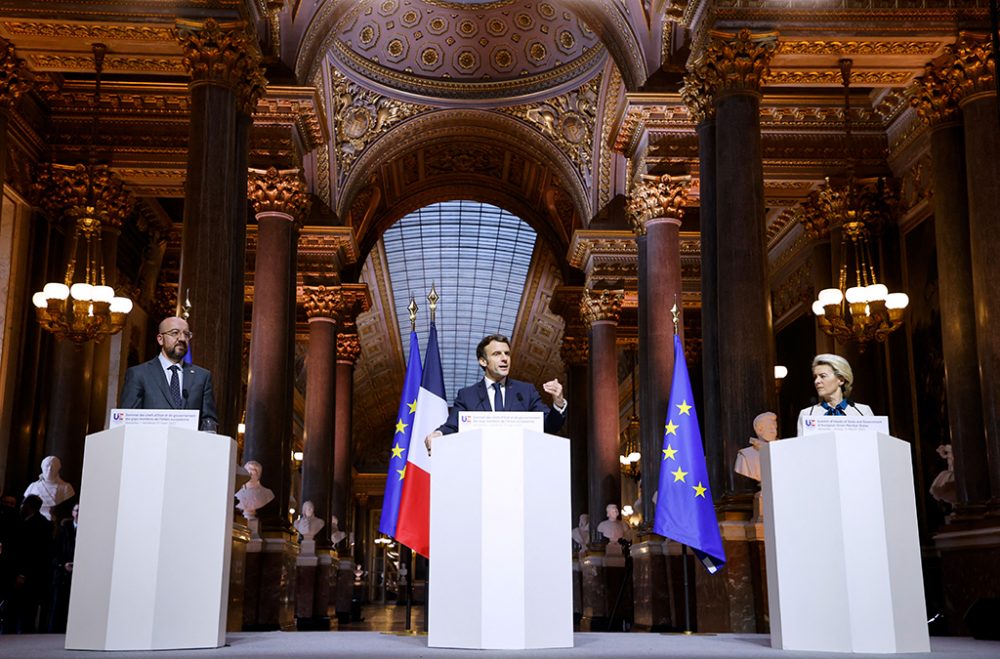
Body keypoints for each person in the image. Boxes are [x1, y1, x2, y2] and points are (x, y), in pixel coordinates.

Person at [424, 333, 567, 454]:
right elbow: (452, 426)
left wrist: (558, 403)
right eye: (497, 354)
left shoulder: (525, 391)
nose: (504, 358)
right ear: (483, 361)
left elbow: (549, 425)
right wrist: (438, 434)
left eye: (507, 353)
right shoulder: (467, 396)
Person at [118, 315, 219, 432]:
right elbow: (128, 420)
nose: (182, 338)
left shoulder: (202, 377)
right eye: (175, 333)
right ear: (160, 339)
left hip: (188, 447)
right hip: (149, 446)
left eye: (186, 335)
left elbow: (209, 421)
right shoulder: (139, 374)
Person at [796, 353, 873, 436]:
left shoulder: (863, 412)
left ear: (841, 380)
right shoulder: (807, 414)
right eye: (815, 377)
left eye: (823, 376)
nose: (816, 381)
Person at [49, 502, 78, 633]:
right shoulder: (64, 529)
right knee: (58, 604)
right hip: (62, 572)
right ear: (72, 513)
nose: (78, 513)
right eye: (76, 510)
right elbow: (55, 551)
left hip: (78, 574)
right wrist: (63, 565)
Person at [23, 456, 75, 521]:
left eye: (53, 466)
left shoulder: (66, 488)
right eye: (47, 466)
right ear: (42, 467)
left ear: (58, 468)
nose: (50, 469)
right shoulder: (33, 486)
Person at [735, 411, 779, 482]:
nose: (774, 431)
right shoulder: (745, 456)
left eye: (775, 428)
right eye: (770, 428)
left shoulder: (783, 452)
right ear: (759, 430)